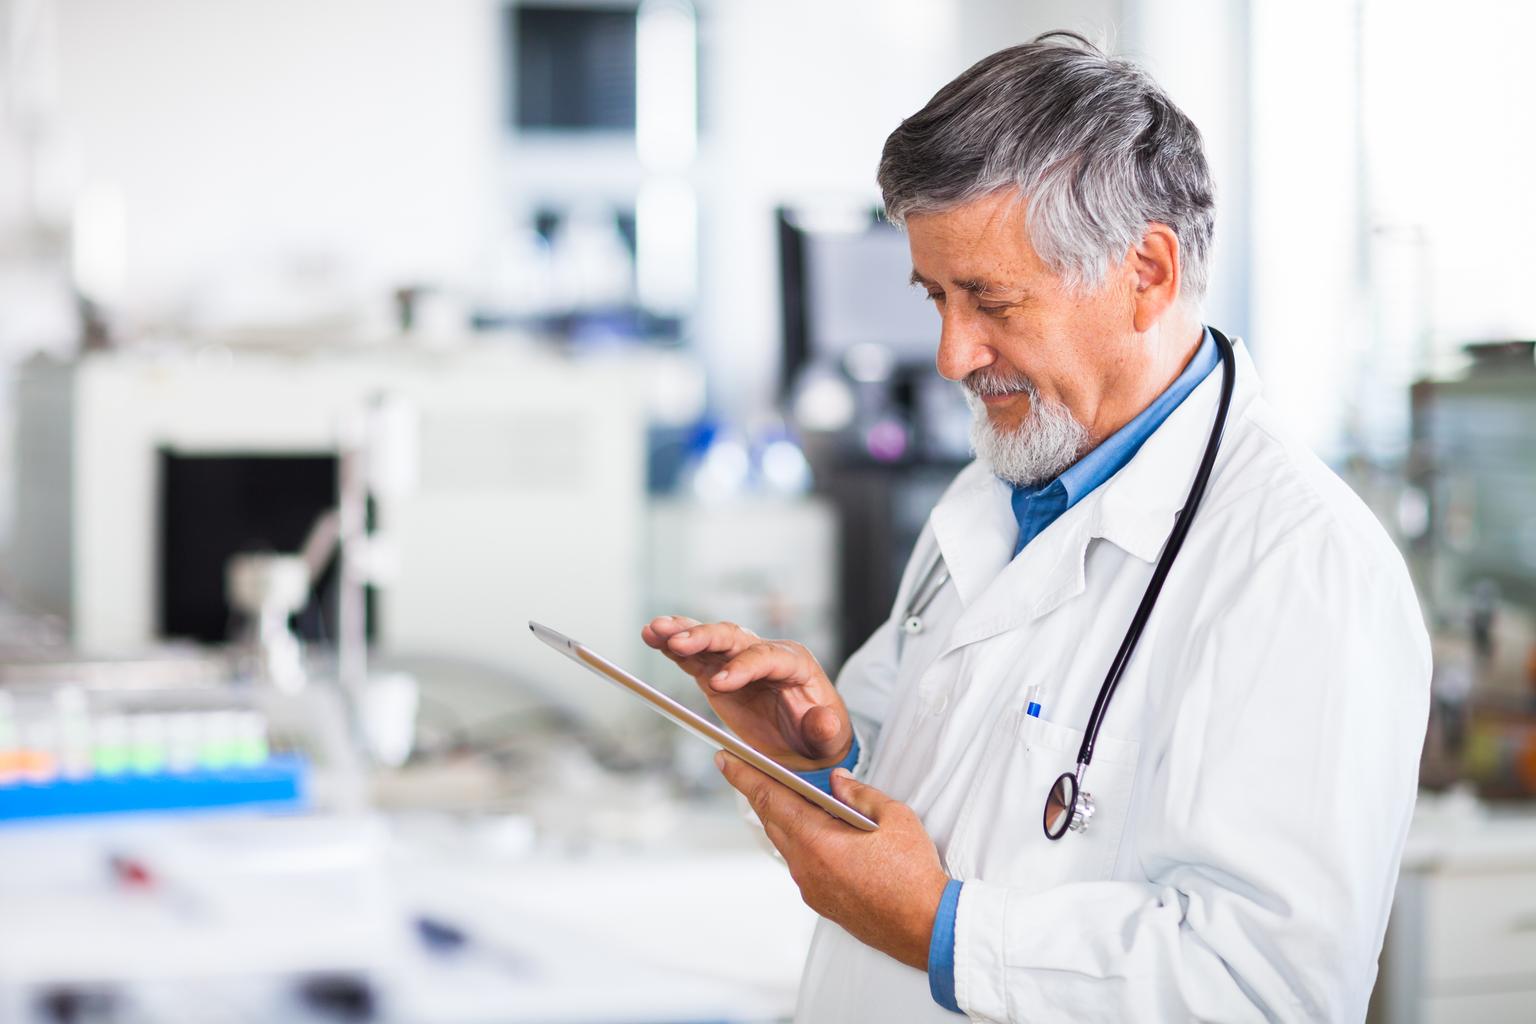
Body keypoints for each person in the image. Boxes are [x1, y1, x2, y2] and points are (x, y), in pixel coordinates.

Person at [644, 32, 1428, 1023]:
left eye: (992, 300)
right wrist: (820, 754)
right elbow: (929, 794)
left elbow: (1264, 987)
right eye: (936, 297)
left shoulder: (1304, 566)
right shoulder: (993, 487)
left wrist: (941, 929)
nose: (951, 353)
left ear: (1145, 272)